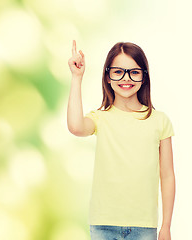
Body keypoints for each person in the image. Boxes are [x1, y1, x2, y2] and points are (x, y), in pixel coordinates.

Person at [67, 40, 175, 240]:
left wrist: (166, 226)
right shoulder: (100, 118)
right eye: (118, 71)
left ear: (144, 77)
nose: (126, 78)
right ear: (107, 77)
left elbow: (167, 175)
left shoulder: (159, 121)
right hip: (103, 225)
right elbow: (75, 127)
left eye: (134, 72)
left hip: (144, 226)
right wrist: (76, 78)